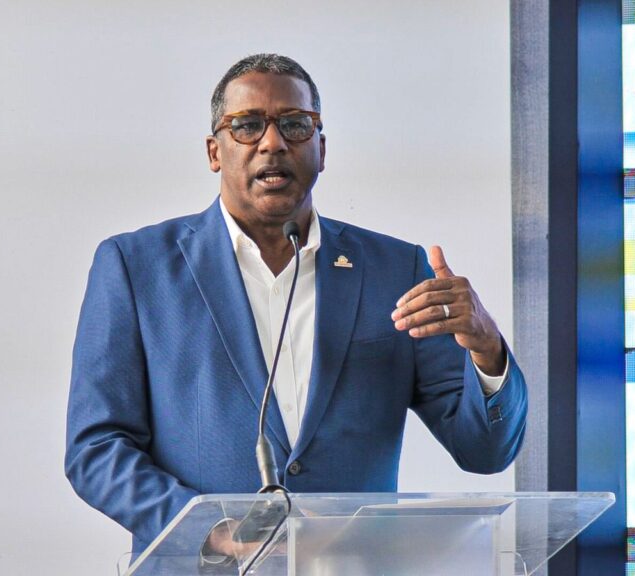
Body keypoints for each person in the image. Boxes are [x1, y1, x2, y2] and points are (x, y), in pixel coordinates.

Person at [64, 53, 527, 556]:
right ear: (214, 151)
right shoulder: (137, 267)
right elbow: (96, 449)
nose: (273, 142)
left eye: (295, 124)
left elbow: (485, 452)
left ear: (321, 149)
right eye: (247, 125)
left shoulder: (396, 270)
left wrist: (487, 349)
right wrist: (208, 530)